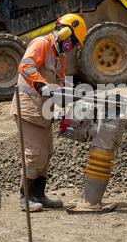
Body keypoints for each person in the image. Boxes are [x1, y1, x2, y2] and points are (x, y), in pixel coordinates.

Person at [10, 13, 87, 212]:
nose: (73, 47)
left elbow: (60, 82)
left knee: (46, 153)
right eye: (74, 42)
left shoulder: (59, 57)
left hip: (44, 112)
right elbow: (25, 66)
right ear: (65, 33)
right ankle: (25, 198)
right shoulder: (41, 44)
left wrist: (68, 98)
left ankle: (39, 194)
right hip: (28, 108)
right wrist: (41, 84)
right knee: (34, 154)